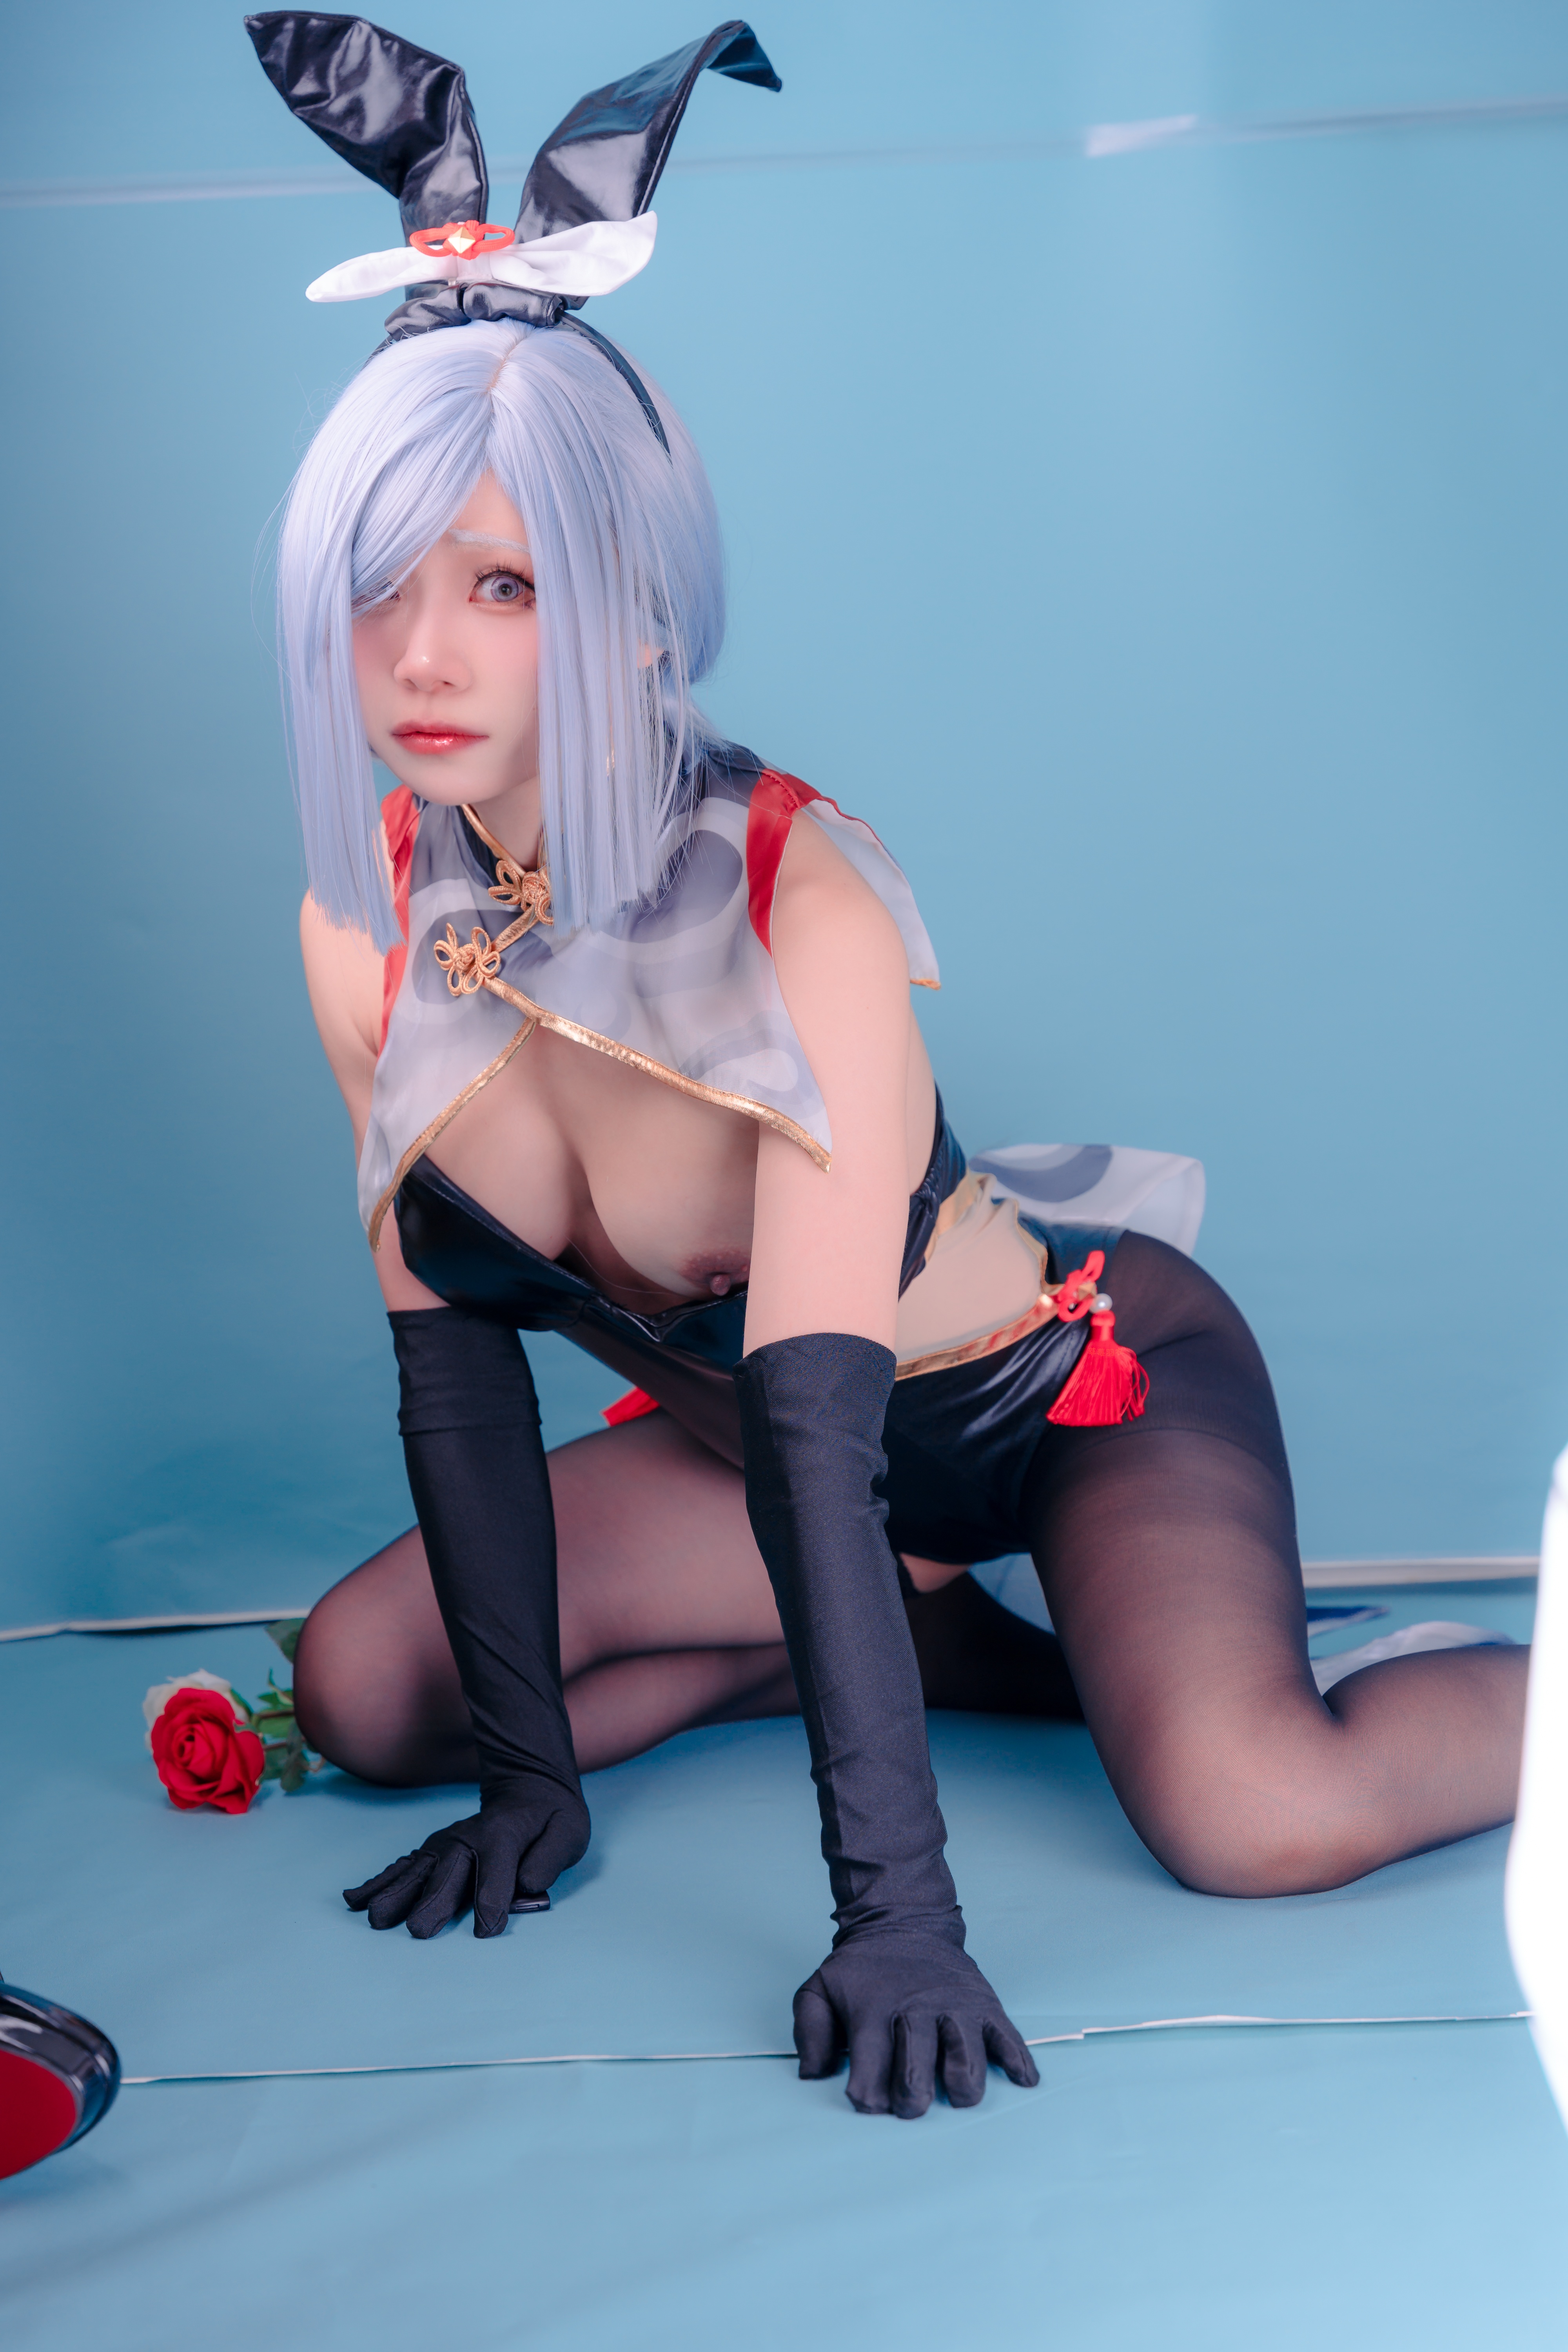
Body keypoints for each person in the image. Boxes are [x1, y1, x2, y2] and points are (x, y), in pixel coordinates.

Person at [251, 13, 1530, 2119]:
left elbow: (821, 1430)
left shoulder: (800, 905)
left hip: (1055, 1406)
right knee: (374, 1693)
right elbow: (455, 1380)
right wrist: (534, 1785)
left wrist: (896, 1914)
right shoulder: (364, 923)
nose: (423, 657)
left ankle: (1429, 1687)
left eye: (503, 584)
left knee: (1252, 1814)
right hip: (769, 1469)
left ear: (637, 612)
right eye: (379, 586)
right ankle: (943, 1645)